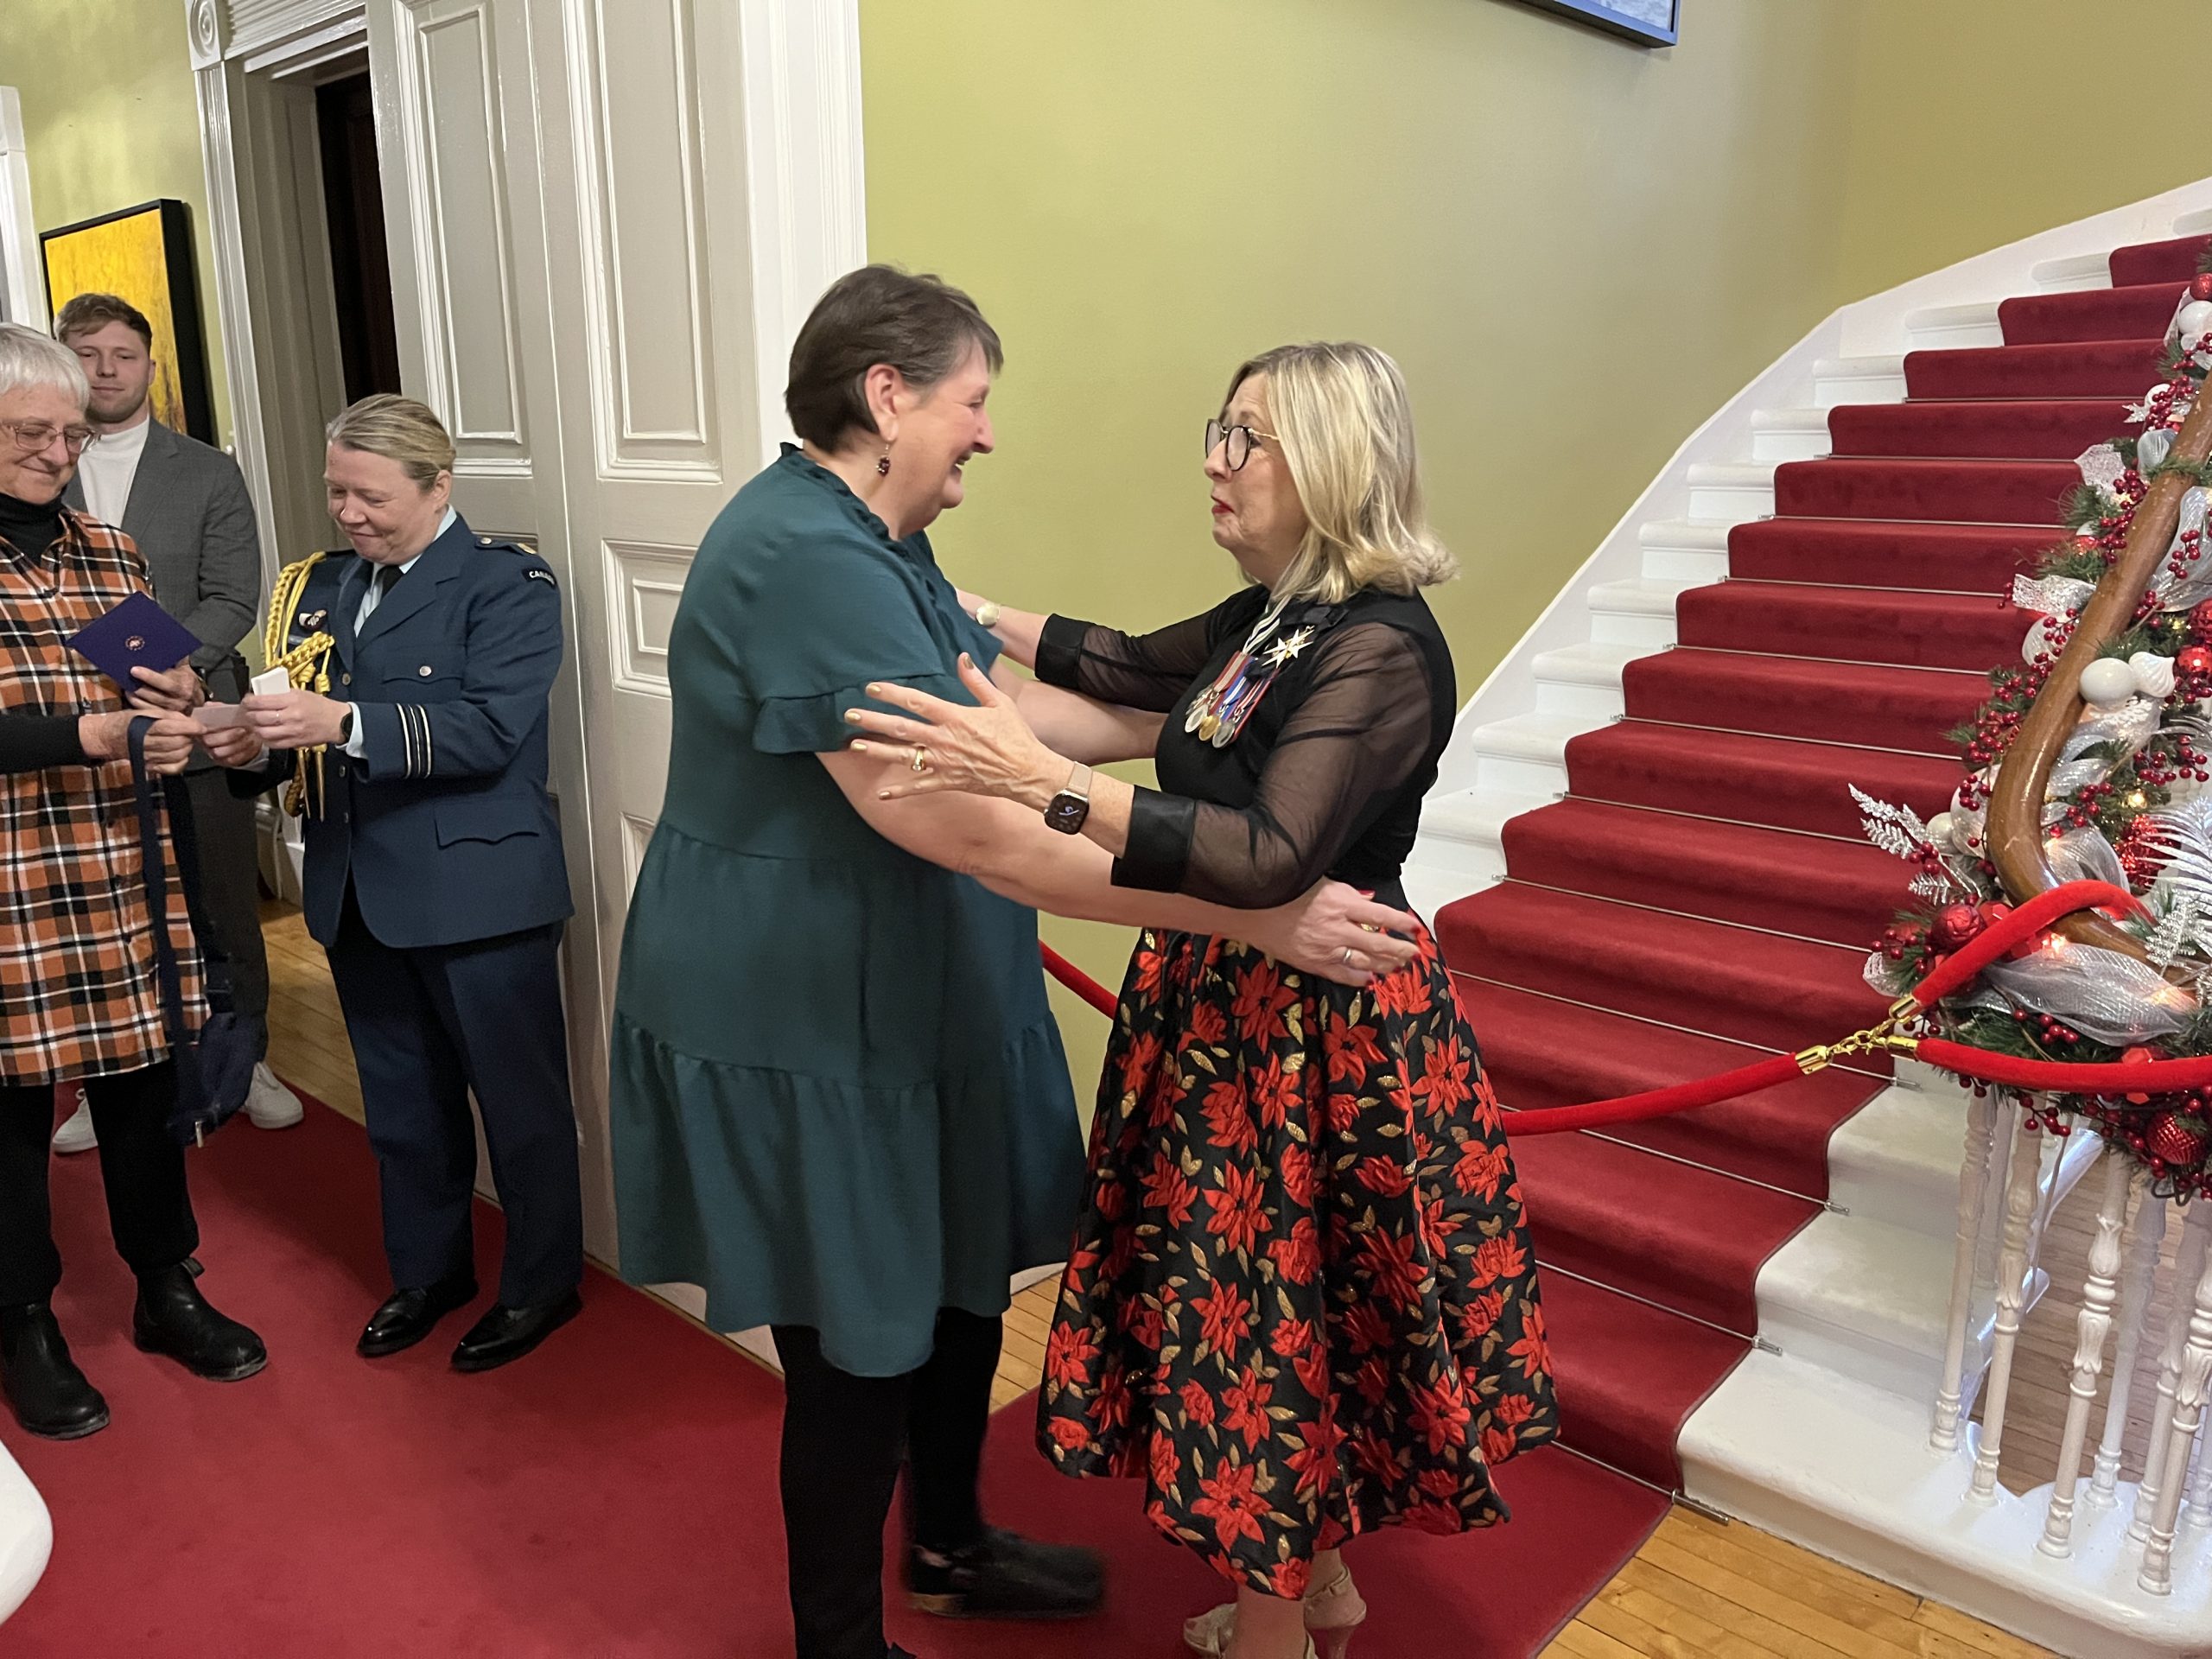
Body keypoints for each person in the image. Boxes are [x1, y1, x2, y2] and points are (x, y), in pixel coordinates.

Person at [608, 268, 1414, 1659]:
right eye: (972, 401)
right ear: (888, 397)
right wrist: (1251, 916)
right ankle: (840, 1644)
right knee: (858, 1335)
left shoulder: (885, 538)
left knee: (957, 1280)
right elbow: (974, 826)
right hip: (813, 1011)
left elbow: (1011, 721)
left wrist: (1207, 728)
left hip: (924, 992)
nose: (986, 431)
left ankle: (951, 1543)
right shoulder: (805, 559)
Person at [842, 342, 1557, 1659]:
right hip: (1228, 1004)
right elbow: (1117, 661)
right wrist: (952, 601)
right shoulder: (1277, 614)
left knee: (1273, 1337)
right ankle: (1316, 1587)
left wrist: (1046, 786)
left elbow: (1270, 855)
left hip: (1320, 1033)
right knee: (1281, 1323)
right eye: (1216, 433)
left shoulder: (1382, 644)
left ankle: (1276, 1634)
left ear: (1329, 463)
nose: (1215, 464)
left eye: (1246, 441)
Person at [200, 395, 585, 1374]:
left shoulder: (506, 584)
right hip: (357, 886)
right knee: (404, 1106)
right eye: (336, 491)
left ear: (437, 485)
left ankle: (542, 1285)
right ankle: (429, 1271)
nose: (348, 513)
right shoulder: (322, 586)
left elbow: (490, 729)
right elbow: (295, 720)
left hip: (478, 890)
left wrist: (342, 722)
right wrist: (251, 742)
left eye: (370, 496)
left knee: (521, 1109)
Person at [0, 322, 267, 1440]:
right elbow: (89, 725)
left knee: (142, 1094)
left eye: (69, 434)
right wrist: (96, 732)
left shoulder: (109, 555)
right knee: (12, 1119)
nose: (56, 452)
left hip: (122, 871)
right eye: (30, 432)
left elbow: (156, 690)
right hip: (11, 885)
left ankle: (165, 1285)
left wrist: (194, 716)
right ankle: (23, 1320)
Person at [48, 291, 302, 1157]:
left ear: (150, 366)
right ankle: (105, 1080)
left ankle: (247, 1058)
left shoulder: (206, 471)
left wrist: (171, 666)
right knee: (102, 913)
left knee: (222, 906)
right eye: (87, 355)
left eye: (122, 354)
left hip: (195, 716)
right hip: (76, 726)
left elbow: (233, 594)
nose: (106, 371)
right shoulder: (38, 467)